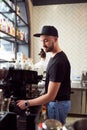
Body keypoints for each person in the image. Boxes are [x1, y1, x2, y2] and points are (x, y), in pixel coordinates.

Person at [17, 25, 71, 125]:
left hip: (57, 105)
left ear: (55, 39)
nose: (43, 44)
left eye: (46, 40)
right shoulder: (54, 57)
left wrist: (27, 103)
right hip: (57, 104)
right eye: (41, 41)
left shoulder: (58, 62)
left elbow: (51, 95)